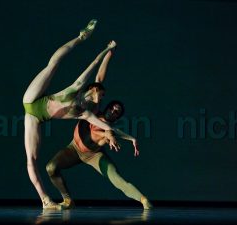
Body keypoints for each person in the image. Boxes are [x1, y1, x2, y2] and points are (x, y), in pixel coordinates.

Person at [23, 19, 120, 210]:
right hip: (33, 99)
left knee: (31, 159)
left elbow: (105, 125)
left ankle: (45, 201)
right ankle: (80, 37)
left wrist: (117, 135)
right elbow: (94, 63)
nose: (102, 97)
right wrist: (106, 49)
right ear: (93, 90)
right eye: (101, 93)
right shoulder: (76, 87)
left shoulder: (83, 113)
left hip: (35, 117)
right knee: (52, 65)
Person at [46, 101, 153, 210]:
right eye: (112, 108)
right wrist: (131, 138)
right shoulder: (94, 112)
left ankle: (143, 199)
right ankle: (68, 200)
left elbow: (110, 131)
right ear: (107, 107)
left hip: (94, 156)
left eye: (116, 112)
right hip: (73, 149)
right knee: (51, 167)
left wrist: (111, 137)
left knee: (116, 178)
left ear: (116, 118)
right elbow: (98, 128)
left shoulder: (108, 128)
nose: (112, 111)